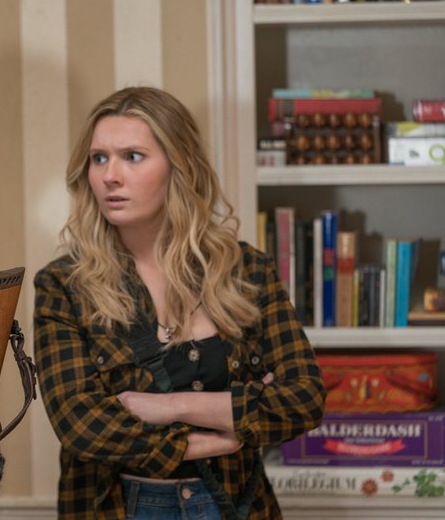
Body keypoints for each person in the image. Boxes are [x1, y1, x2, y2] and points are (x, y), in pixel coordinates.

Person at [33, 86, 326, 519]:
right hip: (122, 507)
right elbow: (82, 425)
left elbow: (303, 399)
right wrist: (217, 436)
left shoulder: (245, 270)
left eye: (133, 156)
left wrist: (170, 407)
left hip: (235, 505)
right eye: (99, 158)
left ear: (179, 165)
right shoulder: (64, 284)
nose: (110, 175)